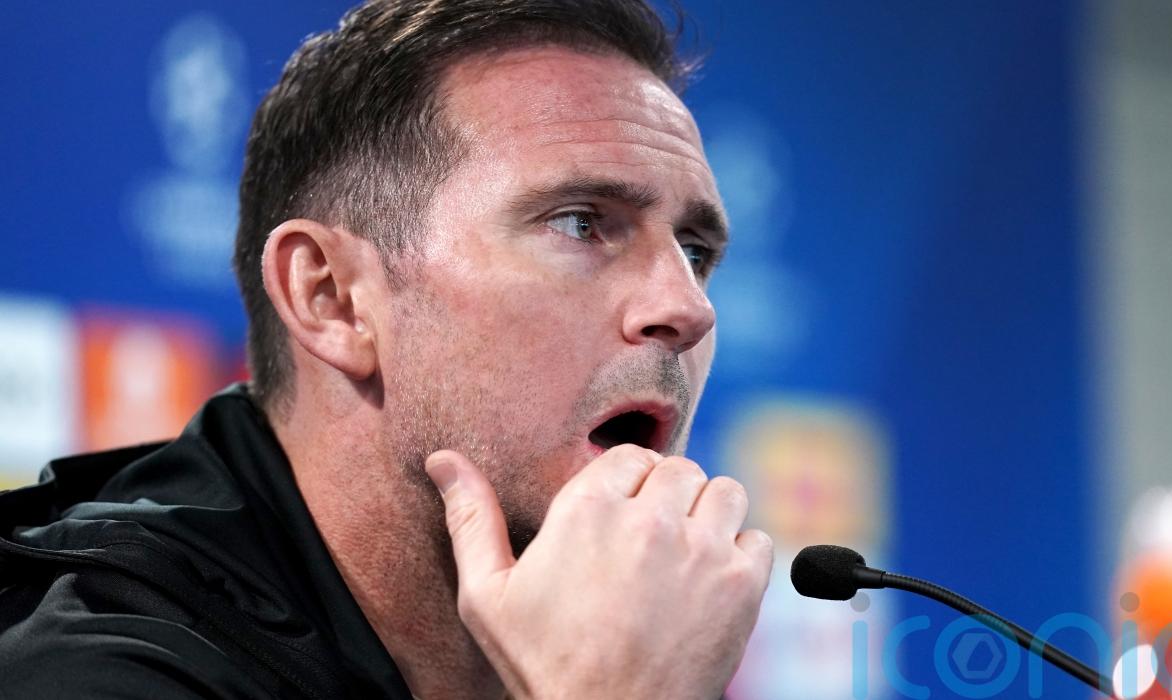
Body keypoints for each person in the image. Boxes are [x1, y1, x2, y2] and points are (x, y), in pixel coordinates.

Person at [0, 0, 773, 697]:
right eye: (581, 223)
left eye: (695, 252)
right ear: (333, 298)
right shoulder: (92, 668)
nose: (689, 308)